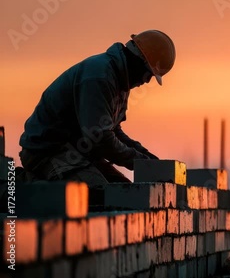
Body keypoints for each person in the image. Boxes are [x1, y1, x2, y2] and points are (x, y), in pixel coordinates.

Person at [17, 30, 176, 202]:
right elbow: (101, 138)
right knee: (103, 197)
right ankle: (24, 186)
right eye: (148, 74)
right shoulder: (99, 76)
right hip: (48, 151)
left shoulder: (120, 81)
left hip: (80, 152)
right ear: (139, 60)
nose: (146, 81)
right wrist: (140, 162)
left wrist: (148, 159)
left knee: (127, 193)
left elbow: (113, 131)